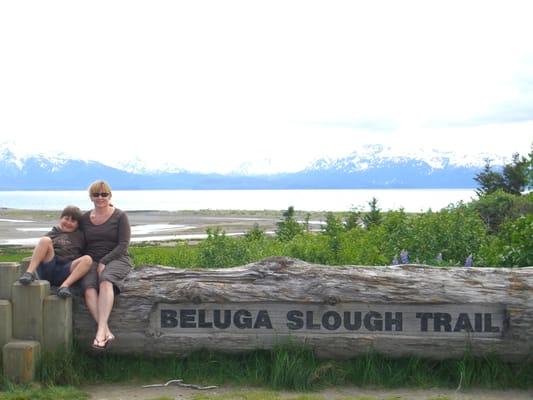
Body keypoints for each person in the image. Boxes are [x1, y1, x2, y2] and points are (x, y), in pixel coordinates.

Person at [80, 180, 133, 350]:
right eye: (96, 194)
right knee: (88, 288)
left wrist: (104, 261)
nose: (100, 197)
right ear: (91, 197)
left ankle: (99, 333)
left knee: (105, 280)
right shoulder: (84, 218)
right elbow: (78, 242)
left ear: (110, 196)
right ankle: (106, 331)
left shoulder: (120, 216)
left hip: (118, 259)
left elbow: (123, 245)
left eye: (104, 194)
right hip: (91, 261)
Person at [18, 206, 92, 298]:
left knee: (87, 259)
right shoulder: (52, 234)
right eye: (66, 219)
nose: (68, 223)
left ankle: (64, 287)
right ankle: (29, 273)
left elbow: (91, 220)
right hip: (49, 268)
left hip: (66, 271)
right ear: (60, 219)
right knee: (45, 240)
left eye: (73, 221)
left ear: (78, 225)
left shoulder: (80, 236)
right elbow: (40, 251)